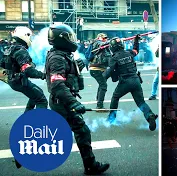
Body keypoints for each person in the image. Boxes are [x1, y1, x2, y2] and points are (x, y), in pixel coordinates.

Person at [46, 24, 109, 175]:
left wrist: (75, 65)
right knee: (81, 131)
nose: (73, 40)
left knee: (60, 133)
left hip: (61, 101)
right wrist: (73, 102)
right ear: (62, 39)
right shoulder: (57, 57)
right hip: (63, 102)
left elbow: (64, 75)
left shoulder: (61, 54)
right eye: (70, 37)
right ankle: (91, 166)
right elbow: (57, 84)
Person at [0, 26, 48, 168]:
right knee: (41, 100)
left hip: (14, 80)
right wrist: (43, 75)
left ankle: (27, 119)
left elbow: (2, 65)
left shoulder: (10, 47)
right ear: (25, 35)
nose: (31, 39)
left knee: (35, 95)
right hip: (20, 80)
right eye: (30, 36)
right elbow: (28, 70)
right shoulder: (21, 50)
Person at [102, 36, 158, 131]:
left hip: (125, 82)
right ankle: (150, 115)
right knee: (141, 102)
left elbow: (109, 71)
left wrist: (101, 78)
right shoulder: (129, 53)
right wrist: (136, 40)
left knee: (115, 98)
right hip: (136, 80)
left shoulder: (114, 58)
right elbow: (136, 50)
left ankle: (111, 118)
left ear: (113, 47)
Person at [88, 33, 111, 109]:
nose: (105, 39)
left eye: (106, 38)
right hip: (96, 69)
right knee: (103, 85)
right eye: (104, 38)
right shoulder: (97, 42)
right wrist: (113, 41)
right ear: (99, 38)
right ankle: (99, 105)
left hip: (100, 69)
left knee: (102, 84)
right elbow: (102, 44)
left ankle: (98, 99)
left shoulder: (105, 46)